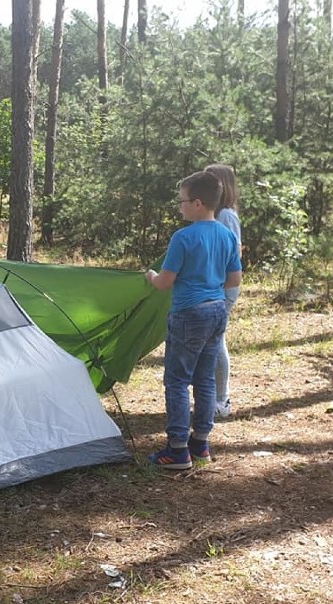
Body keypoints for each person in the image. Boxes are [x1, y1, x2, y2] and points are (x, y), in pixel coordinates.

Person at [144, 171, 242, 469]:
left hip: (189, 313)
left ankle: (176, 450)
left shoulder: (183, 237)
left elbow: (164, 282)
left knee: (176, 380)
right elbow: (234, 278)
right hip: (216, 310)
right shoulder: (227, 235)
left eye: (182, 201)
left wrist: (149, 276)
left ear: (198, 203)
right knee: (204, 378)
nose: (180, 207)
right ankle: (200, 444)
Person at [205, 163, 242, 419]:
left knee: (216, 341)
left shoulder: (226, 215)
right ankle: (214, 396)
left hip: (224, 286)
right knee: (214, 340)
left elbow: (233, 251)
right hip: (215, 284)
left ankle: (222, 400)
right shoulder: (216, 214)